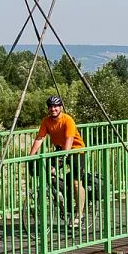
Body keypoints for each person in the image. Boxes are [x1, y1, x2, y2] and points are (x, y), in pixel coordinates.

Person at [29, 95, 87, 228]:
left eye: (56, 106)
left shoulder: (68, 120)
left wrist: (64, 156)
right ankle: (64, 194)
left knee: (76, 183)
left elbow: (69, 139)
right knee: (49, 171)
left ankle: (80, 215)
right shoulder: (46, 121)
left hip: (76, 150)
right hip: (60, 150)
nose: (53, 109)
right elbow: (40, 138)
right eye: (51, 107)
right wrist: (31, 156)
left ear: (61, 107)